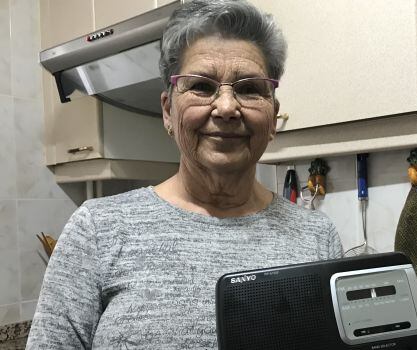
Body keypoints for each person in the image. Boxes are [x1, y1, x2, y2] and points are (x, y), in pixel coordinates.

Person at [26, 0, 343, 348]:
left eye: (250, 88)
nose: (226, 108)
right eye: (202, 86)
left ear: (273, 116)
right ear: (167, 111)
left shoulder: (317, 238)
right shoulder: (97, 230)